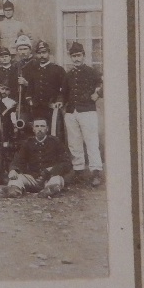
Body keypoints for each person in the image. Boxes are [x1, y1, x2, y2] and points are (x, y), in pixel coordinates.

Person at [63, 42, 104, 186]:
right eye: (73, 56)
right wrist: (60, 102)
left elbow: (105, 83)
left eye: (78, 55)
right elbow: (64, 93)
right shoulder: (68, 75)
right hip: (71, 112)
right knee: (74, 143)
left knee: (91, 141)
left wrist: (98, 94)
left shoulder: (92, 72)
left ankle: (95, 172)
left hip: (87, 111)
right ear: (70, 58)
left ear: (83, 56)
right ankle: (78, 171)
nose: (76, 59)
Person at [0, 116, 72, 198]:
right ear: (33, 129)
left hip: (49, 178)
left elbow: (66, 162)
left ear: (47, 129)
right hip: (33, 179)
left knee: (57, 179)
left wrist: (52, 170)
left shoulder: (55, 142)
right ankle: (14, 190)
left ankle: (49, 190)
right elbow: (18, 160)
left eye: (42, 126)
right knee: (17, 178)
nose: (40, 129)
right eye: (37, 126)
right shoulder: (27, 143)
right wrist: (13, 170)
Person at [18, 39, 68, 124]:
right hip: (36, 108)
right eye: (39, 53)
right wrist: (29, 99)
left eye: (44, 53)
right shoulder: (33, 70)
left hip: (51, 108)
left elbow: (64, 89)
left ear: (48, 53)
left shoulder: (58, 70)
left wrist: (59, 101)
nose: (42, 56)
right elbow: (30, 89)